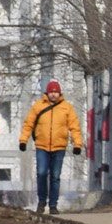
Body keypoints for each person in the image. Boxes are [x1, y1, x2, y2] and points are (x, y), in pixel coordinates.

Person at [19, 80, 83, 215]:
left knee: (55, 176)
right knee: (41, 173)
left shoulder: (67, 107)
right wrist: (23, 140)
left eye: (56, 92)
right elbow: (28, 124)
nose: (53, 94)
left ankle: (53, 205)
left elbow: (74, 127)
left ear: (59, 93)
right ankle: (41, 202)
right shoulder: (38, 106)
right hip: (42, 146)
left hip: (59, 146)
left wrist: (77, 144)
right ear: (47, 93)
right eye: (51, 92)